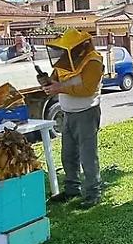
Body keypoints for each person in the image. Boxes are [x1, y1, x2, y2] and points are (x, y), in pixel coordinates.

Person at [42, 29, 105, 208]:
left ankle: (93, 193)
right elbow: (55, 79)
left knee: (88, 155)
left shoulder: (93, 61)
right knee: (68, 154)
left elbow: (88, 89)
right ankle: (72, 189)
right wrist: (47, 83)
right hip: (67, 113)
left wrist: (59, 88)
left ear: (80, 47)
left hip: (87, 113)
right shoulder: (64, 60)